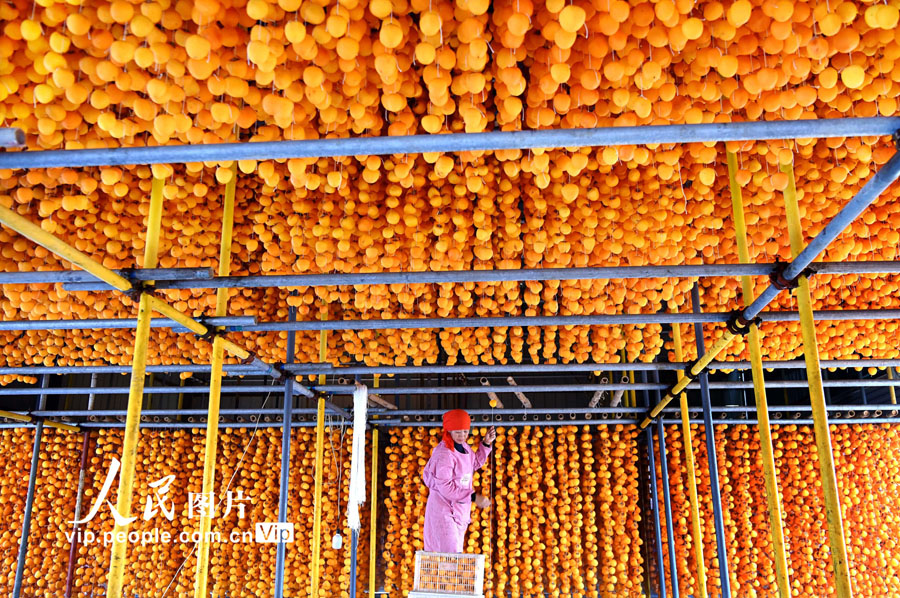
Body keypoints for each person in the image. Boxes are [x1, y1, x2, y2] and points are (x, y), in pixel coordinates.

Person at [422, 409, 497, 553]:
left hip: (459, 510)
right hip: (444, 511)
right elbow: (445, 486)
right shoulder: (444, 454)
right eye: (457, 432)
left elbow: (473, 464)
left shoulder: (465, 448)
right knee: (451, 554)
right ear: (448, 431)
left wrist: (486, 444)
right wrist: (473, 497)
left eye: (465, 431)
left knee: (454, 554)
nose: (462, 436)